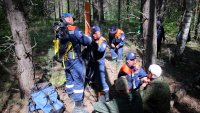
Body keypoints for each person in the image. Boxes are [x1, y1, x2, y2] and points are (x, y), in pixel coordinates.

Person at [59, 13, 92, 113]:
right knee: (78, 80)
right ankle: (78, 106)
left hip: (65, 59)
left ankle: (70, 94)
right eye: (72, 18)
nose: (73, 20)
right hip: (75, 59)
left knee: (69, 77)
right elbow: (86, 41)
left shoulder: (59, 29)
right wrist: (89, 37)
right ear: (67, 19)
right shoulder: (74, 29)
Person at [85, 26, 109, 102]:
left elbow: (100, 50)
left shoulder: (102, 40)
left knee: (102, 80)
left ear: (99, 32)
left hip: (99, 63)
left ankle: (106, 96)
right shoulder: (92, 39)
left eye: (95, 33)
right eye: (92, 33)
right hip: (92, 62)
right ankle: (94, 87)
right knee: (90, 75)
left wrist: (93, 44)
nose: (93, 35)